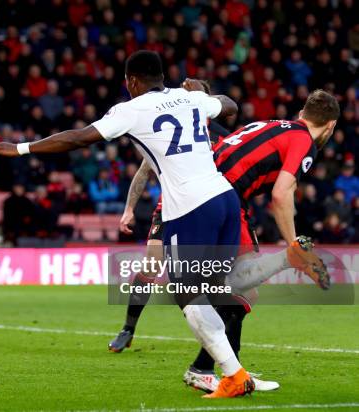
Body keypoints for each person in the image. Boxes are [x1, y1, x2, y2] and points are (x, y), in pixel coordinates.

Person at [0, 50, 255, 398]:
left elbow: (79, 137)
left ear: (132, 82)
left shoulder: (131, 109)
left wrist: (20, 148)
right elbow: (230, 107)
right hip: (225, 199)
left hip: (190, 207)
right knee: (213, 288)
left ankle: (232, 374)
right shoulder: (189, 98)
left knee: (185, 293)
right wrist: (204, 95)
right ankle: (224, 368)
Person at [110, 89, 339, 392]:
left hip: (210, 189)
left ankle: (219, 369)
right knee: (228, 290)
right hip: (220, 195)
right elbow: (281, 193)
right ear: (331, 126)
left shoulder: (275, 124)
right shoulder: (304, 141)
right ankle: (214, 370)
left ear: (301, 114)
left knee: (228, 290)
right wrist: (294, 244)